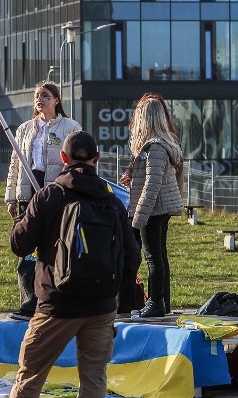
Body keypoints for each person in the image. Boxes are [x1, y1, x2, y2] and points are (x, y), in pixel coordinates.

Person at [9, 131, 141, 398]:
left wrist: (23, 218)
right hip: (101, 307)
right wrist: (112, 290)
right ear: (97, 158)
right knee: (94, 381)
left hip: (56, 304)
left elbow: (19, 245)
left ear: (63, 158)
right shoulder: (113, 202)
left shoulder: (50, 196)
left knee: (29, 379)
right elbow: (133, 256)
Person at [5, 81, 81, 321]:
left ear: (56, 100)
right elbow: (15, 164)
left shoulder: (70, 127)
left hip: (56, 195)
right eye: (37, 95)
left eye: (45, 96)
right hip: (28, 194)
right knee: (27, 249)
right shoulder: (25, 129)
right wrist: (11, 196)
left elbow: (78, 161)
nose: (40, 99)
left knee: (53, 248)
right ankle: (28, 301)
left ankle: (52, 299)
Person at [126, 95, 184, 319]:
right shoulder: (160, 146)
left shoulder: (156, 148)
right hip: (159, 208)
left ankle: (156, 301)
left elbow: (152, 185)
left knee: (153, 258)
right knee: (159, 256)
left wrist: (138, 217)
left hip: (154, 209)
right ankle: (161, 302)